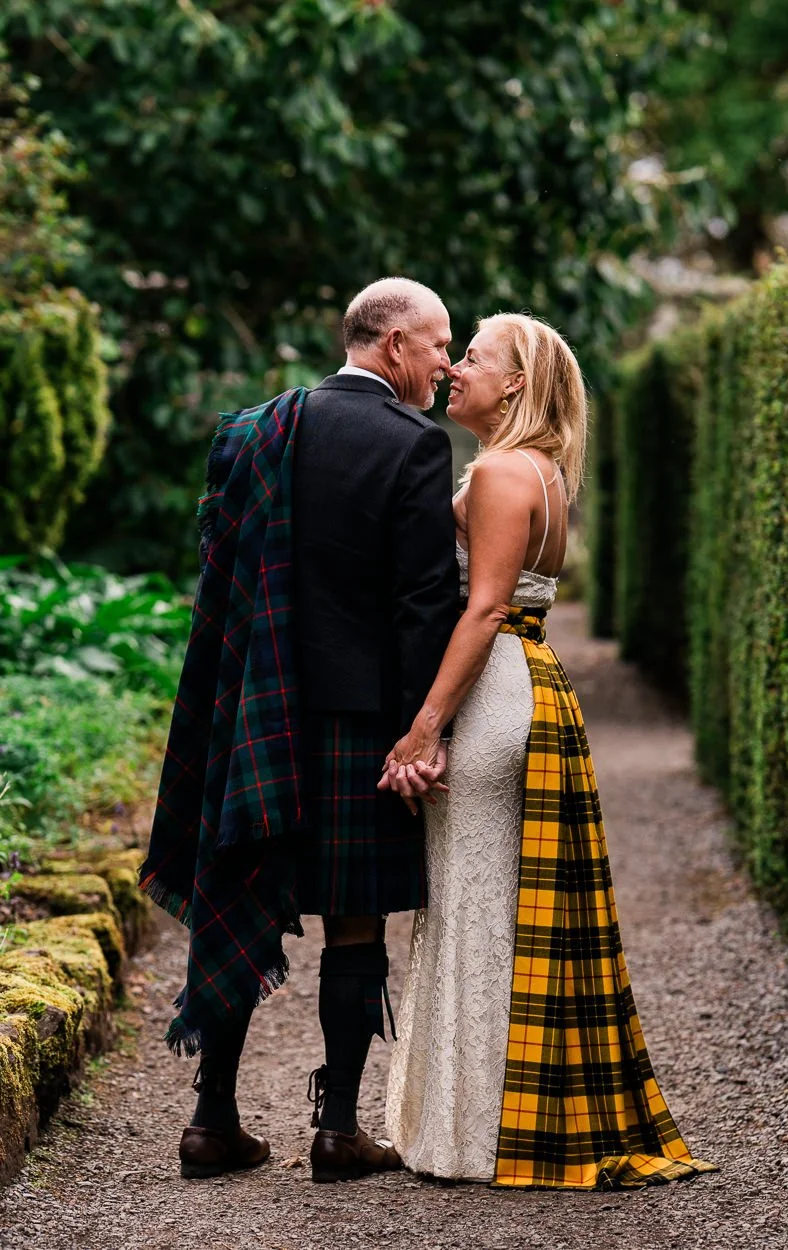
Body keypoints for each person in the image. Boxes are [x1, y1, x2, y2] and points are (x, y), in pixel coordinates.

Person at [382, 312, 716, 1189]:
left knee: (475, 904)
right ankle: (503, 1120)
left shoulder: (497, 471)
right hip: (527, 680)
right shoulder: (542, 471)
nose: (456, 367)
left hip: (493, 686)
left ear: (517, 384)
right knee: (496, 902)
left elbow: (484, 608)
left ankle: (479, 1132)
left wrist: (423, 725)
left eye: (475, 358)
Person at [139, 277, 459, 1183]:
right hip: (362, 724)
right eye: (437, 343)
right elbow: (422, 605)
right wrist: (422, 731)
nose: (444, 361)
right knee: (354, 927)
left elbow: (221, 580)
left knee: (237, 892)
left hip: (254, 712)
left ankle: (211, 1122)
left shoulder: (246, 432)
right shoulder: (411, 443)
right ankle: (338, 1132)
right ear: (392, 344)